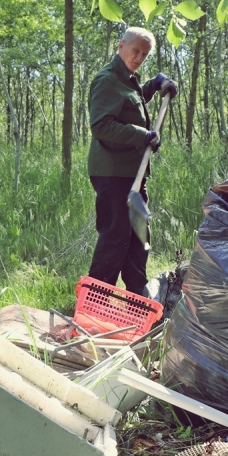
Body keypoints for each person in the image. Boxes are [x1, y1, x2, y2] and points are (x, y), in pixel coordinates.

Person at [87, 27, 178, 295]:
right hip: (113, 173)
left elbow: (130, 104)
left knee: (139, 235)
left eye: (145, 54)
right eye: (136, 50)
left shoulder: (128, 79)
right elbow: (101, 125)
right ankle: (97, 299)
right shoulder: (107, 79)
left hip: (133, 174)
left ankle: (138, 294)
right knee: (116, 236)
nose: (139, 57)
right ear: (121, 46)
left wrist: (156, 84)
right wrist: (143, 136)